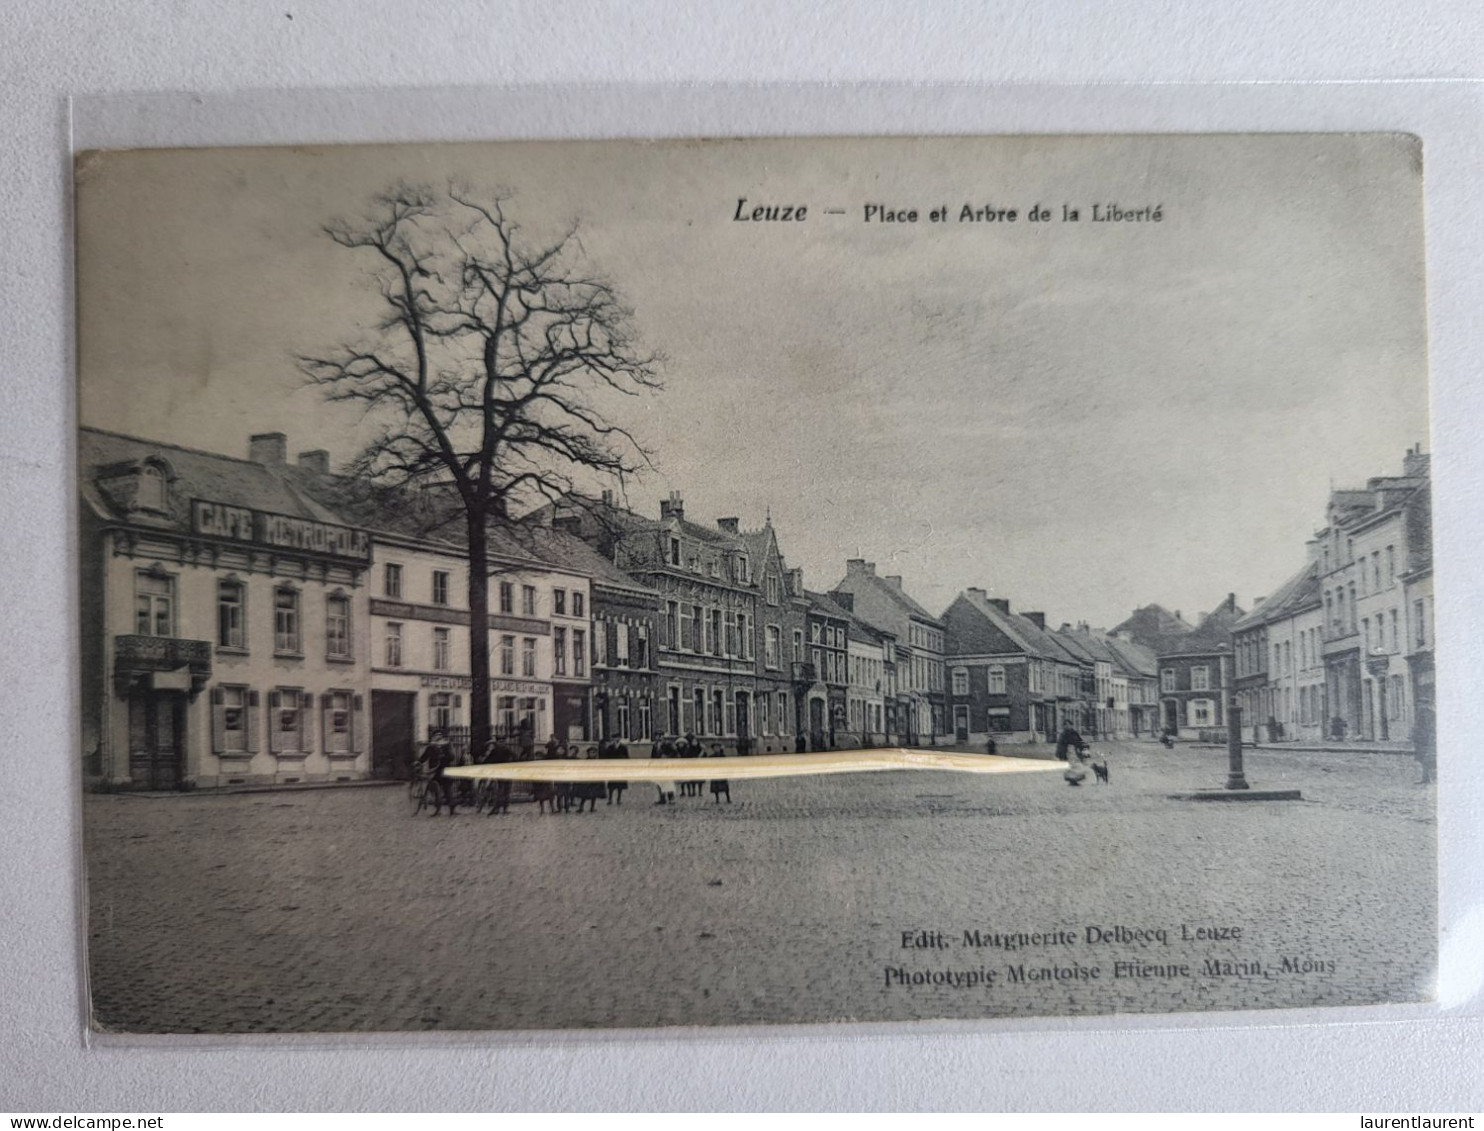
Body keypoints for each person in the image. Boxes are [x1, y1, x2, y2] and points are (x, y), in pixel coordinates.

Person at [417, 730, 457, 816]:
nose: (438, 738)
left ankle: (451, 810)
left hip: (444, 770)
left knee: (447, 790)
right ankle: (439, 809)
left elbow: (452, 757)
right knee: (436, 790)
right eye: (436, 736)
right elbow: (424, 757)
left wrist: (443, 757)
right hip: (435, 771)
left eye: (439, 736)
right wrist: (418, 762)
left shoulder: (446, 746)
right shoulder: (431, 747)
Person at [1411, 702, 1437, 785]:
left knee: (1427, 760)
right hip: (1421, 740)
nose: (1419, 706)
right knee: (1423, 760)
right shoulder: (1421, 714)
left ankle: (1428, 778)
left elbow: (1431, 728)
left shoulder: (1430, 714)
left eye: (1421, 704)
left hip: (1426, 740)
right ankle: (1426, 778)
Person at [607, 738, 630, 805]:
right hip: (613, 768)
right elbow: (607, 757)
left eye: (617, 738)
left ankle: (618, 799)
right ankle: (610, 799)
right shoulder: (610, 747)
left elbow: (627, 757)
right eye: (615, 738)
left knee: (620, 785)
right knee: (611, 785)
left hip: (621, 768)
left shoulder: (623, 747)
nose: (616, 739)